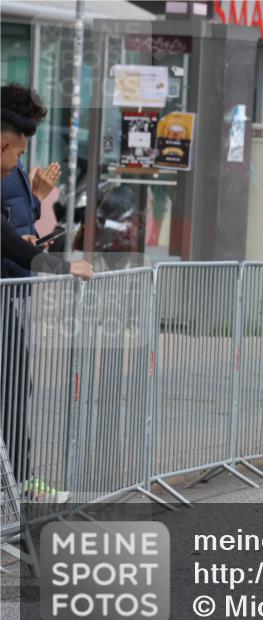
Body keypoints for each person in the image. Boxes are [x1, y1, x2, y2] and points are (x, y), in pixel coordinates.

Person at [2, 91, 93, 503]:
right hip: (9, 282)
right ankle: (18, 484)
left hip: (15, 286)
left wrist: (35, 215)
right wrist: (53, 263)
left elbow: (12, 228)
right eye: (20, 148)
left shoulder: (13, 173)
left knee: (18, 387)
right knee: (14, 388)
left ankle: (19, 481)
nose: (21, 157)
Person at [1, 83, 60, 278]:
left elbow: (11, 226)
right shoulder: (6, 167)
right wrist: (37, 196)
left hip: (16, 273)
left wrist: (27, 239)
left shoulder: (13, 163)